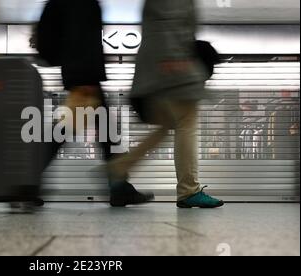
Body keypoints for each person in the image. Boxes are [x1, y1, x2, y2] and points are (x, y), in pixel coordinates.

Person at [107, 0, 224, 208]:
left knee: (167, 126)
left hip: (160, 69)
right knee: (186, 122)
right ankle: (189, 190)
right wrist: (175, 57)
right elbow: (168, 19)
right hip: (174, 69)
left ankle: (118, 167)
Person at [39, 0, 154, 207]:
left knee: (105, 132)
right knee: (66, 131)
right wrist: (84, 77)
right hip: (85, 76)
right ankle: (27, 180)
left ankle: (119, 187)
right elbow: (80, 37)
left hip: (84, 74)